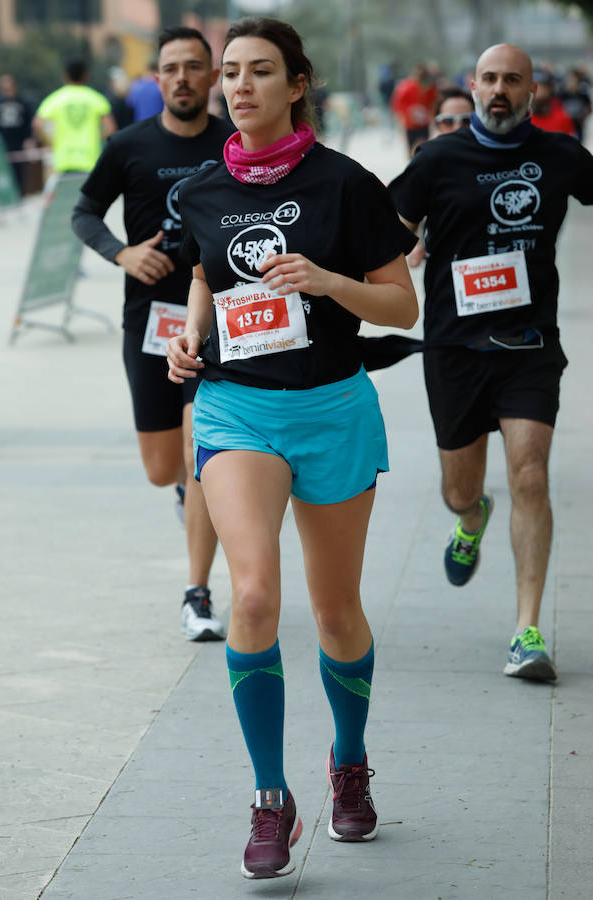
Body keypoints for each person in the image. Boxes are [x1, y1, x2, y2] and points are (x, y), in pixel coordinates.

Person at [166, 15, 418, 881]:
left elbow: (401, 307)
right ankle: (270, 799)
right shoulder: (201, 188)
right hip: (236, 410)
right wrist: (189, 340)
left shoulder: (346, 184)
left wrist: (328, 281)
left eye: (259, 71)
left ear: (297, 84)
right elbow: (206, 273)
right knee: (254, 594)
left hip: (334, 408)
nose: (238, 86)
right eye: (228, 71)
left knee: (338, 610)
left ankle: (348, 762)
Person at [388, 43, 593, 682]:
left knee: (530, 474)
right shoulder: (438, 159)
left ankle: (526, 630)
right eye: (490, 79)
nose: (500, 89)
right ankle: (472, 521)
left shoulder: (559, 155)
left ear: (534, 90)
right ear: (472, 87)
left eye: (513, 80)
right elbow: (386, 232)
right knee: (459, 491)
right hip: (454, 348)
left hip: (530, 346)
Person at [71, 27, 234, 641]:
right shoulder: (128, 145)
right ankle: (184, 496)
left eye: (196, 67)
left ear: (211, 76)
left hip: (216, 324)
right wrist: (122, 254)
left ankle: (197, 592)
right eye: (172, 68)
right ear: (157, 78)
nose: (184, 78)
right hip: (149, 322)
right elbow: (83, 211)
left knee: (202, 456)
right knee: (162, 465)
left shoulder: (234, 144)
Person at [407, 87, 474, 267]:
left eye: (466, 120)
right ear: (436, 125)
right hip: (444, 271)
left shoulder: (494, 158)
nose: (457, 128)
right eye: (448, 121)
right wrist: (414, 244)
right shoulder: (426, 161)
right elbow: (411, 212)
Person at [33, 59, 116, 173]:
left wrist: (51, 143)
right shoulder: (96, 98)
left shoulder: (56, 98)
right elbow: (111, 128)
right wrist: (98, 140)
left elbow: (37, 124)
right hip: (90, 160)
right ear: (85, 76)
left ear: (65, 75)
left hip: (64, 160)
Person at [0, 74, 33, 194]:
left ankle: (21, 194)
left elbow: (28, 122)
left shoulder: (23, 103)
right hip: (2, 144)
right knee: (3, 174)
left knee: (19, 173)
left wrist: (29, 139)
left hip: (19, 142)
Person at [390, 63, 438, 154]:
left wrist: (430, 115)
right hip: (410, 123)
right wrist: (410, 112)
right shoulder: (406, 86)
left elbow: (433, 102)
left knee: (423, 145)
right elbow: (398, 103)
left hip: (424, 123)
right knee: (412, 147)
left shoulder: (430, 86)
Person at [559, 69, 591, 143]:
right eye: (569, 80)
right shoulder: (562, 95)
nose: (571, 82)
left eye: (573, 80)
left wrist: (582, 117)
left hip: (578, 125)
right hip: (565, 125)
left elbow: (589, 108)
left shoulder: (583, 95)